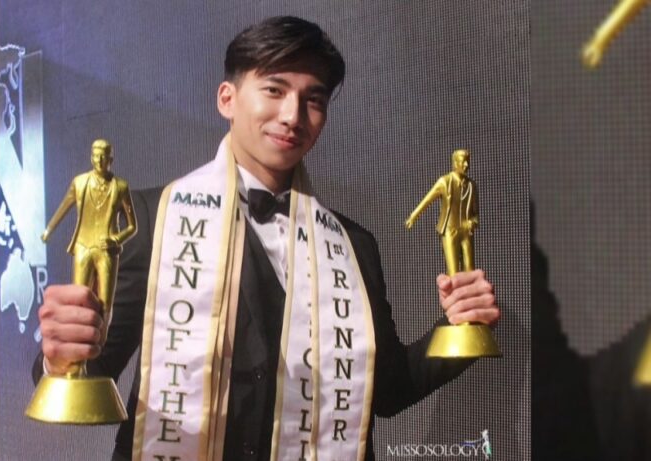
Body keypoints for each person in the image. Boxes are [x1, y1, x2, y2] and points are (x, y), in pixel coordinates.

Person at [33, 16, 500, 461]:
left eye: (313, 100)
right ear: (227, 99)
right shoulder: (153, 218)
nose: (293, 115)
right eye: (274, 90)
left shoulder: (352, 245)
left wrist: (461, 328)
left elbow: (389, 391)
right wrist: (61, 356)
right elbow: (92, 369)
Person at [41, 139, 137, 349]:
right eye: (95, 156)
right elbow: (64, 207)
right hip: (83, 246)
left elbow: (132, 226)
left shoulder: (120, 186)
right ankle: (79, 350)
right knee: (79, 299)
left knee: (105, 303)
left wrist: (116, 239)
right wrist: (49, 229)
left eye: (103, 156)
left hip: (106, 251)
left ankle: (99, 345)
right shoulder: (80, 182)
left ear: (111, 159)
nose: (99, 160)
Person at [406, 149, 478, 276]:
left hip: (466, 232)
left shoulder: (472, 185)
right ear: (455, 163)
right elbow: (427, 200)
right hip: (450, 231)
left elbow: (475, 214)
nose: (466, 165)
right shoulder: (444, 182)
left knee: (470, 272)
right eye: (463, 162)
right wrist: (413, 216)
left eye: (468, 162)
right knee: (453, 273)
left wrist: (472, 222)